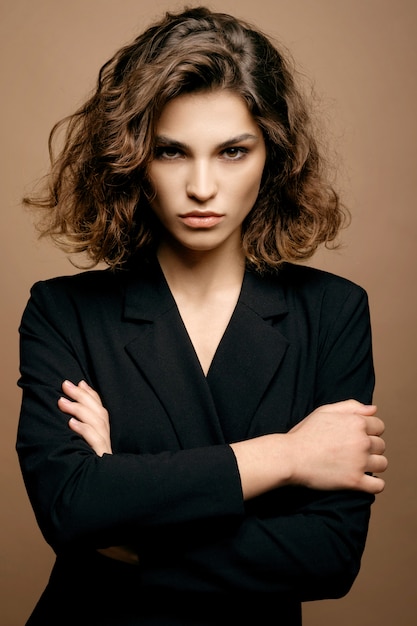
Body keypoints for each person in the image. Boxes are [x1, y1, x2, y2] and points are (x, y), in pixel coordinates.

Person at [16, 6, 388, 625]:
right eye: (171, 152)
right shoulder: (63, 312)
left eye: (233, 151)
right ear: (133, 157)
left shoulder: (333, 311)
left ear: (274, 156)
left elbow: (329, 557)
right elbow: (72, 509)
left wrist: (127, 525)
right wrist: (287, 457)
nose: (202, 186)